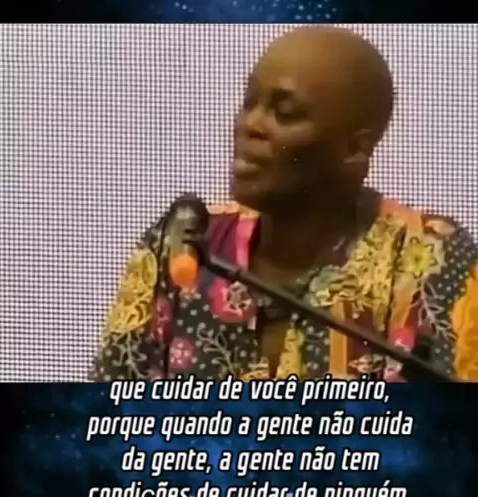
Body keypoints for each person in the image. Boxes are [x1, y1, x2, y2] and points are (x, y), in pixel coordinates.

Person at [90, 26, 478, 382]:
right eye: (249, 102)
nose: (249, 125)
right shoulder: (183, 243)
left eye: (285, 112)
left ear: (354, 148)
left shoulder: (432, 259)